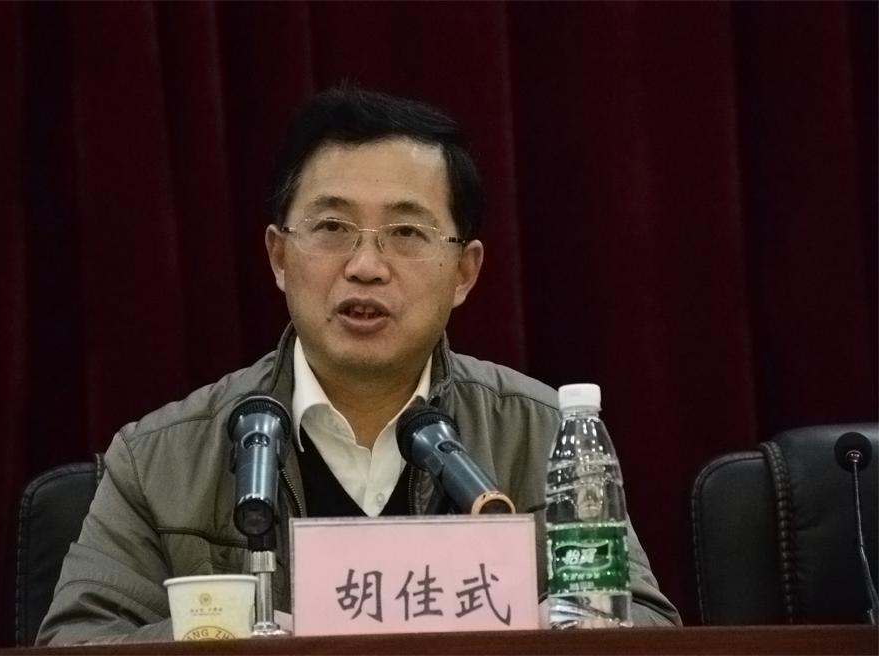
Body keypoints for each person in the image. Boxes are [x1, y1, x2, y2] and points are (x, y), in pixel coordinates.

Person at [36, 85, 681, 645]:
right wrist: (243, 639)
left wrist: (536, 632)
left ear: (464, 272)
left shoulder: (543, 436)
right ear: (278, 257)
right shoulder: (158, 460)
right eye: (332, 228)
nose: (365, 266)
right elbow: (76, 641)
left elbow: (646, 629)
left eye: (406, 233)